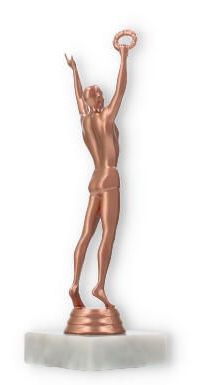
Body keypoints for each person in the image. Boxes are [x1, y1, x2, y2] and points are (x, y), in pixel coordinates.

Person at [65, 44, 130, 309]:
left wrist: (75, 71)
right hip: (110, 177)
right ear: (96, 101)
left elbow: (78, 98)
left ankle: (74, 283)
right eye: (99, 95)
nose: (102, 97)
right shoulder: (106, 118)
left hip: (94, 179)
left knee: (86, 233)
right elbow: (121, 88)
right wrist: (124, 57)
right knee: (108, 233)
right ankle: (100, 286)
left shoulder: (85, 120)